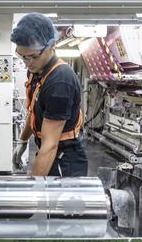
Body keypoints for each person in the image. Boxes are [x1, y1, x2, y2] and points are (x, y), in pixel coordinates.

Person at [11, 13, 88, 177]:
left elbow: (50, 145)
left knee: (51, 202)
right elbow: (33, 111)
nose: (27, 63)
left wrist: (32, 191)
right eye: (22, 56)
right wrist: (23, 139)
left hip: (64, 161)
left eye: (33, 56)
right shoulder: (36, 71)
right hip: (49, 151)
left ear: (52, 46)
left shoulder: (60, 82)